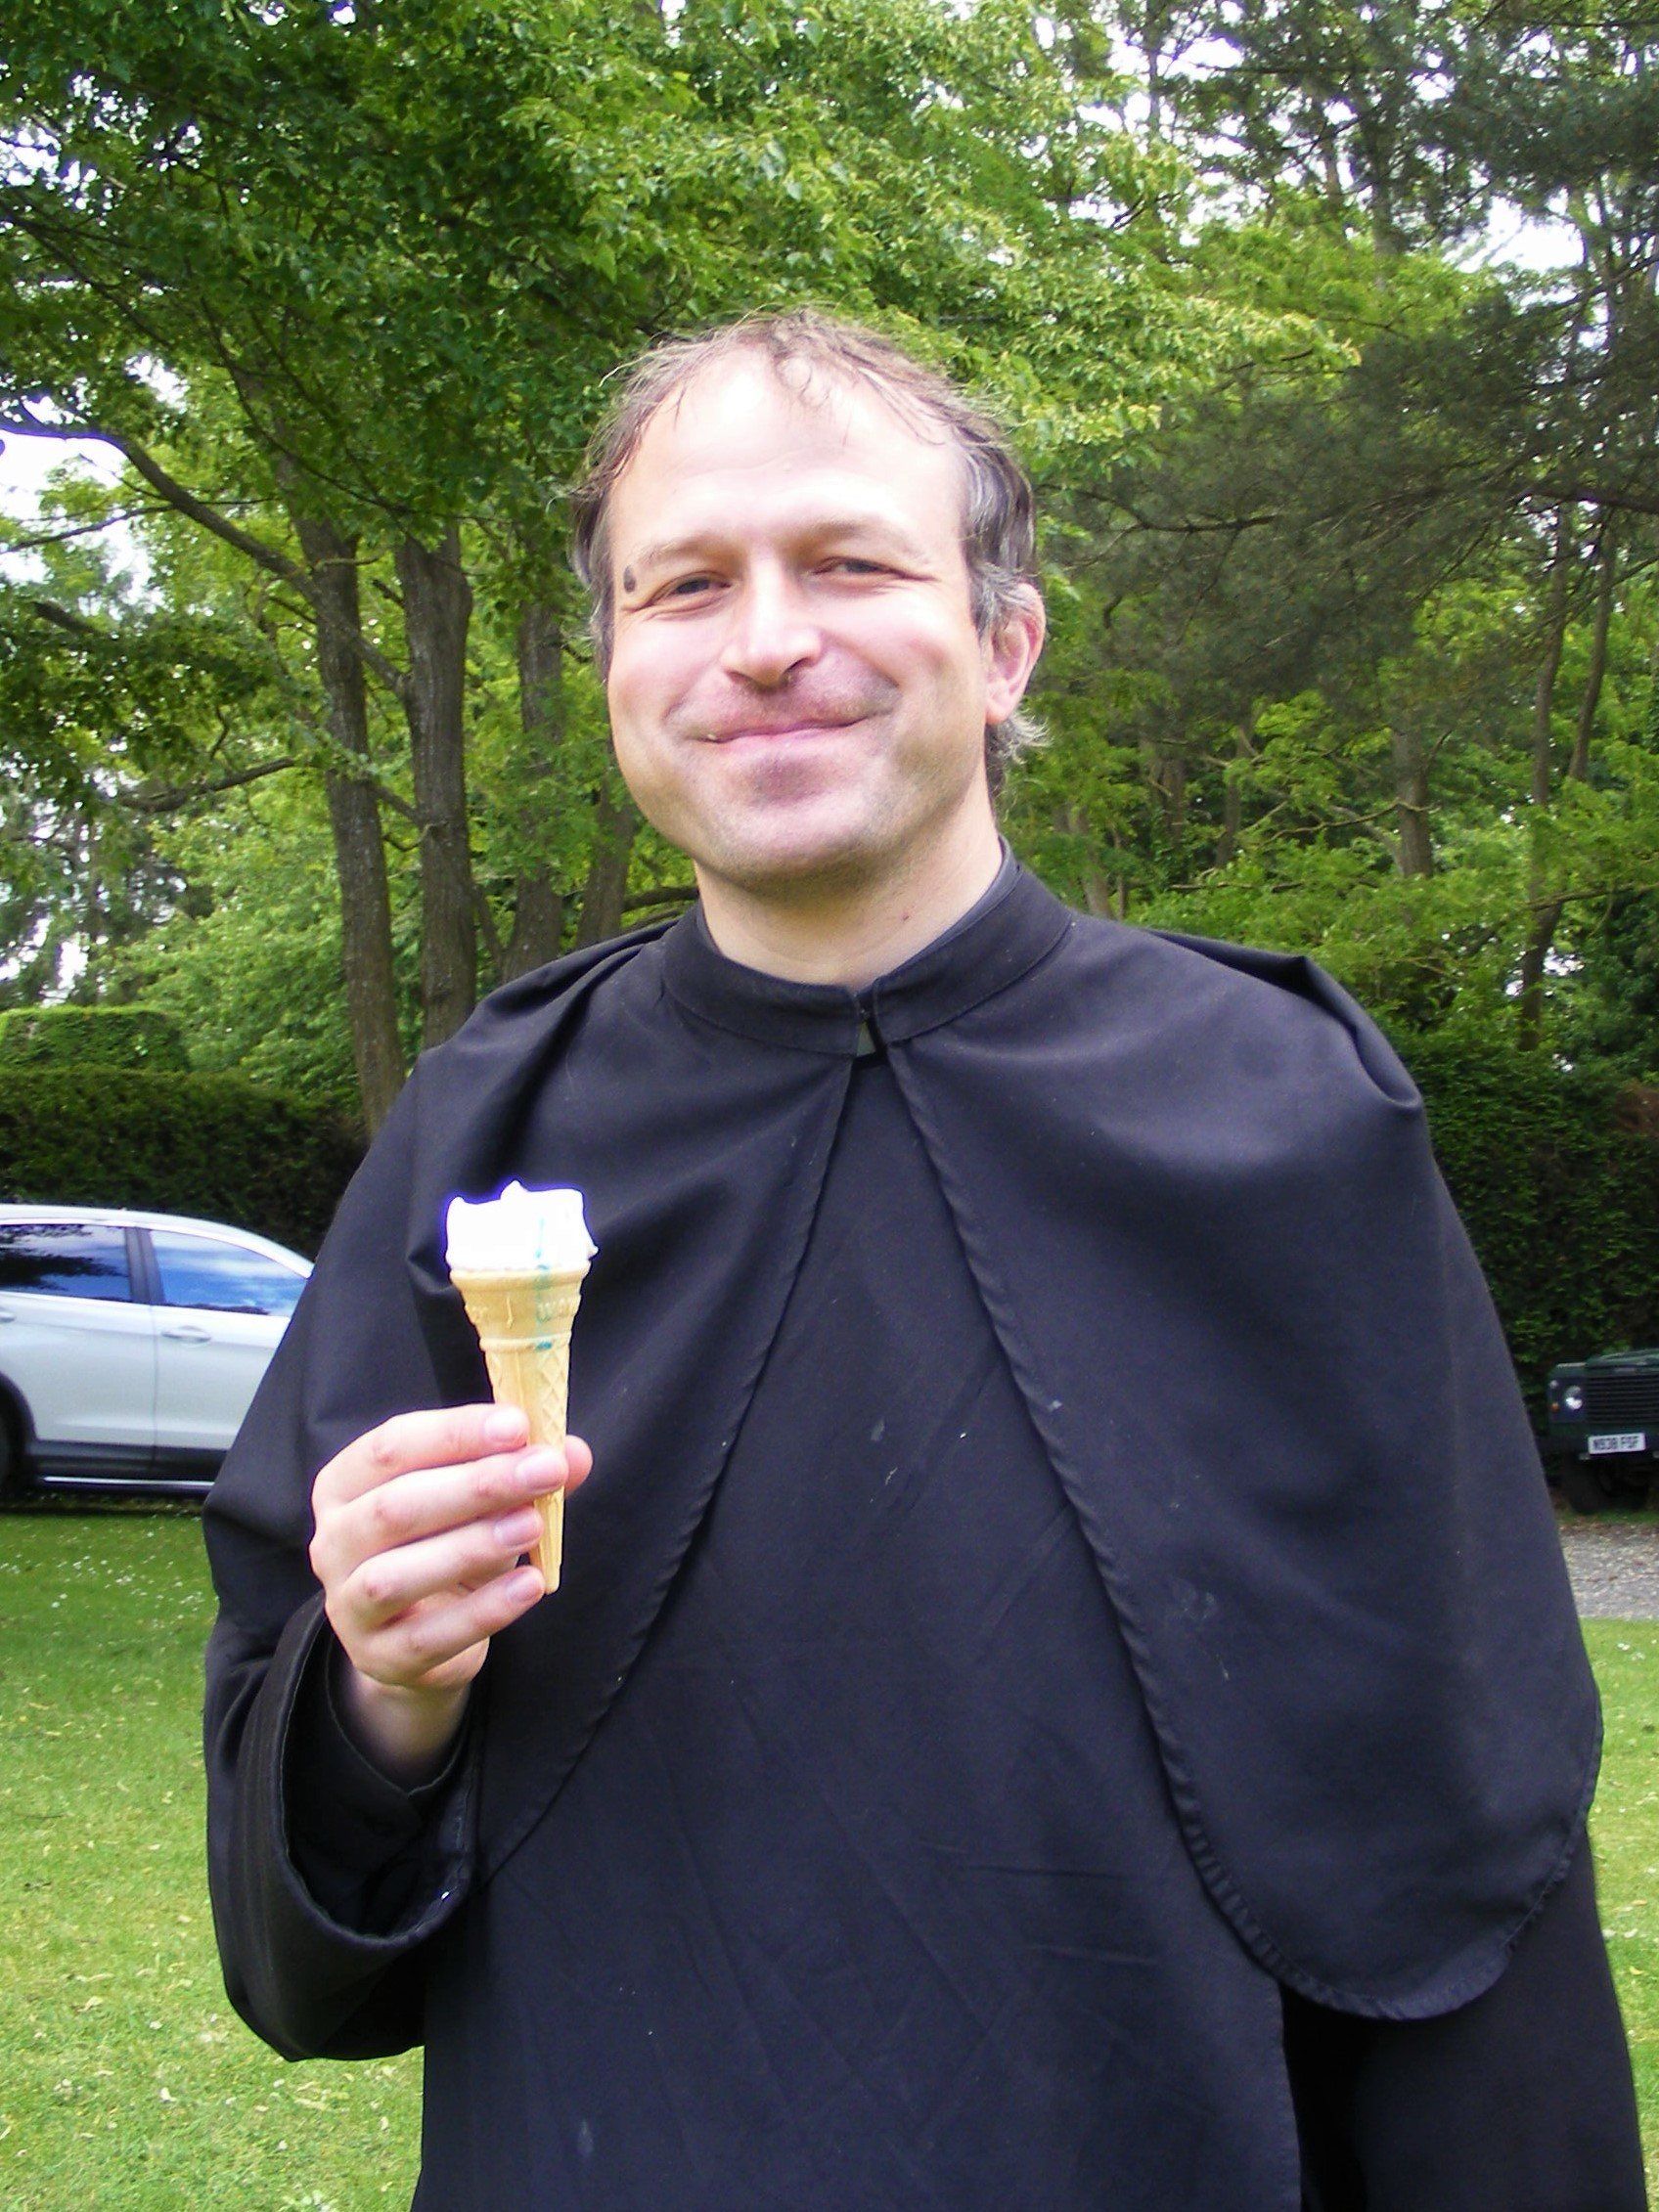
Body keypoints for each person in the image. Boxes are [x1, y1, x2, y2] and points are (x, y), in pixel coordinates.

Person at [203, 311, 1645, 2211]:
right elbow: (300, 1941)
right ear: (616, 661)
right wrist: (382, 1683)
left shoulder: (1284, 1112)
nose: (764, 639)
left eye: (850, 564)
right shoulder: (482, 1142)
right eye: (682, 584)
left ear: (1005, 641)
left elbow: (1468, 1849)